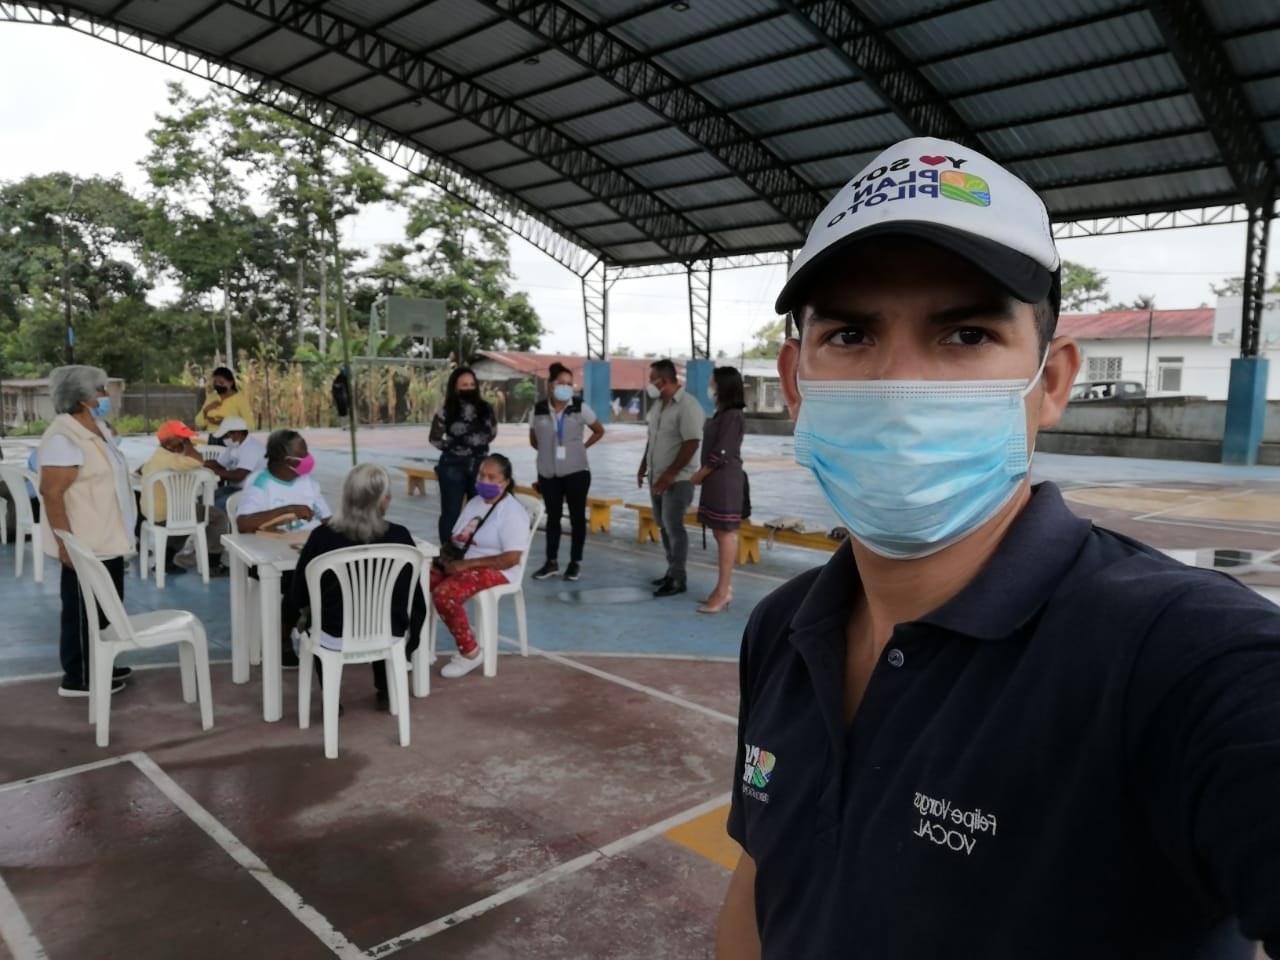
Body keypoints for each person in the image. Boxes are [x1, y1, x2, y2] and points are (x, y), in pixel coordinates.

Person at [716, 137, 1280, 959]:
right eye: (851, 334)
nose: (899, 383)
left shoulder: (1181, 656)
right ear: (797, 381)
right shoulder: (782, 629)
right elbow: (762, 877)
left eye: (967, 334)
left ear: (1051, 382)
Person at [290, 463, 427, 712]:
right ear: (384, 500)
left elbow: (298, 594)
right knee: (381, 607)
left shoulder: (322, 537)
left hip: (334, 632)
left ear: (346, 497)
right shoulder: (400, 537)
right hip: (389, 630)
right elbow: (412, 594)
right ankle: (386, 689)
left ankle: (332, 699)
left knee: (317, 617)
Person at [36, 366, 135, 698]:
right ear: (83, 397)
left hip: (108, 537)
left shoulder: (95, 429)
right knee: (82, 611)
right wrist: (65, 545)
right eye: (101, 390)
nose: (106, 395)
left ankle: (101, 661)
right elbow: (52, 493)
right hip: (85, 542)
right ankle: (78, 676)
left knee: (106, 608)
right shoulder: (64, 438)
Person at [236, 430, 332, 668]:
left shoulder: (308, 482)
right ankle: (284, 636)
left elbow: (327, 520)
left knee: (334, 572)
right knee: (298, 579)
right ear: (284, 457)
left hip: (304, 550)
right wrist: (287, 510)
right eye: (303, 454)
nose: (308, 458)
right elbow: (243, 523)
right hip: (270, 557)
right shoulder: (261, 483)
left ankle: (325, 631)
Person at [431, 453, 529, 679]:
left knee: (445, 595)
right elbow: (457, 537)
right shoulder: (475, 502)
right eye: (481, 475)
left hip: (498, 568)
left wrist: (466, 565)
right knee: (417, 582)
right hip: (464, 562)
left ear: (505, 482)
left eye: (491, 477)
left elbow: (511, 558)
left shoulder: (512, 512)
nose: (484, 481)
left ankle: (470, 653)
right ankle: (416, 647)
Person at [528, 362, 605, 581]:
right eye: (561, 383)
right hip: (548, 473)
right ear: (550, 385)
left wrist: (582, 447)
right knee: (553, 518)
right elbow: (534, 440)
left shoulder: (580, 407)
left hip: (576, 472)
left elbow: (599, 430)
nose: (566, 387)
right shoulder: (538, 410)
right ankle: (551, 562)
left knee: (577, 518)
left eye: (570, 384)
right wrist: (548, 452)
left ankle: (575, 562)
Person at [636, 358, 704, 597]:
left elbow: (692, 442)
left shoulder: (688, 406)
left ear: (663, 381)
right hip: (657, 477)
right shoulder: (658, 406)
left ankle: (678, 578)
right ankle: (671, 570)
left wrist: (670, 474)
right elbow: (652, 439)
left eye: (652, 380)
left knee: (674, 527)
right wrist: (643, 466)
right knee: (663, 526)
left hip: (678, 480)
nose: (649, 385)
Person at [138, 420, 231, 577]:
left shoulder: (157, 457)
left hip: (153, 513)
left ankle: (166, 560)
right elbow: (198, 460)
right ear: (169, 443)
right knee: (217, 517)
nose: (188, 442)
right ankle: (213, 564)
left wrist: (183, 444)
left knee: (187, 516)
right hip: (169, 513)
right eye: (183, 439)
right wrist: (188, 446)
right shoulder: (173, 460)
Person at [690, 366, 745, 614]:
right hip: (715, 480)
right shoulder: (721, 414)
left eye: (713, 383)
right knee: (718, 532)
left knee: (725, 534)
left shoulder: (733, 416)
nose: (710, 388)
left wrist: (701, 473)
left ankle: (723, 592)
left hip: (724, 480)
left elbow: (722, 452)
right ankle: (721, 589)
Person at [429, 367, 498, 547]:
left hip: (480, 466)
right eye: (464, 385)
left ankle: (475, 550)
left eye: (472, 384)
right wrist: (454, 448)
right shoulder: (446, 410)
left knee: (480, 511)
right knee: (451, 512)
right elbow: (434, 438)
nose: (469, 388)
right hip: (452, 466)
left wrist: (476, 444)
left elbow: (492, 432)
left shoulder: (486, 409)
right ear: (455, 387)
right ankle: (448, 552)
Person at [204, 416, 265, 510]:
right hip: (235, 488)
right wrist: (197, 464)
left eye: (226, 436)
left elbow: (238, 476)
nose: (224, 439)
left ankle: (219, 520)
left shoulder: (252, 448)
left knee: (216, 505)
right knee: (205, 498)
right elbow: (218, 464)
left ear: (238, 433)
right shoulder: (234, 446)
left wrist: (212, 472)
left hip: (251, 491)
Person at [195, 366, 255, 444]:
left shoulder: (239, 399)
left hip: (231, 440)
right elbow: (199, 423)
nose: (218, 385)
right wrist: (206, 409)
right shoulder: (211, 397)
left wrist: (227, 424)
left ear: (231, 382)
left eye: (221, 383)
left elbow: (250, 425)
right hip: (213, 440)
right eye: (215, 383)